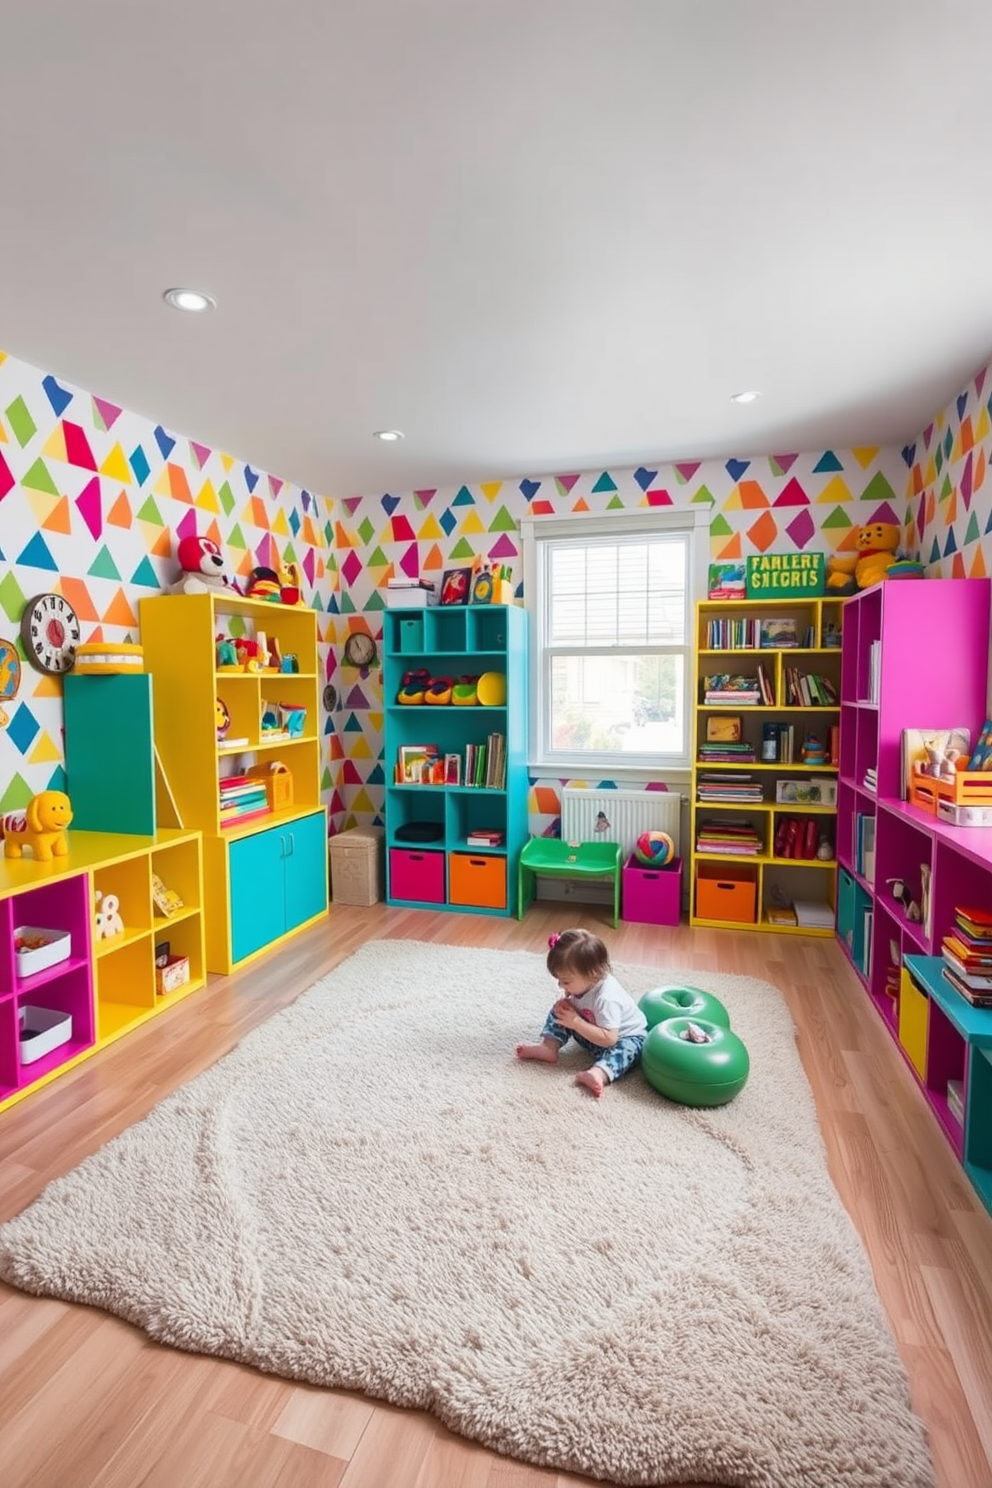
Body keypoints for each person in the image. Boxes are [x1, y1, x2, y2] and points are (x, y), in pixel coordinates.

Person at [516, 928, 647, 1098]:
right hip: (593, 1030)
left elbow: (610, 1039)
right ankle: (548, 1047)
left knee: (626, 1051)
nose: (561, 986)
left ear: (591, 975)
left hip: (622, 1038)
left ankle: (599, 1073)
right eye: (559, 980)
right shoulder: (583, 984)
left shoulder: (607, 999)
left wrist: (577, 1022)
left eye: (566, 981)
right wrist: (569, 1010)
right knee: (562, 1010)